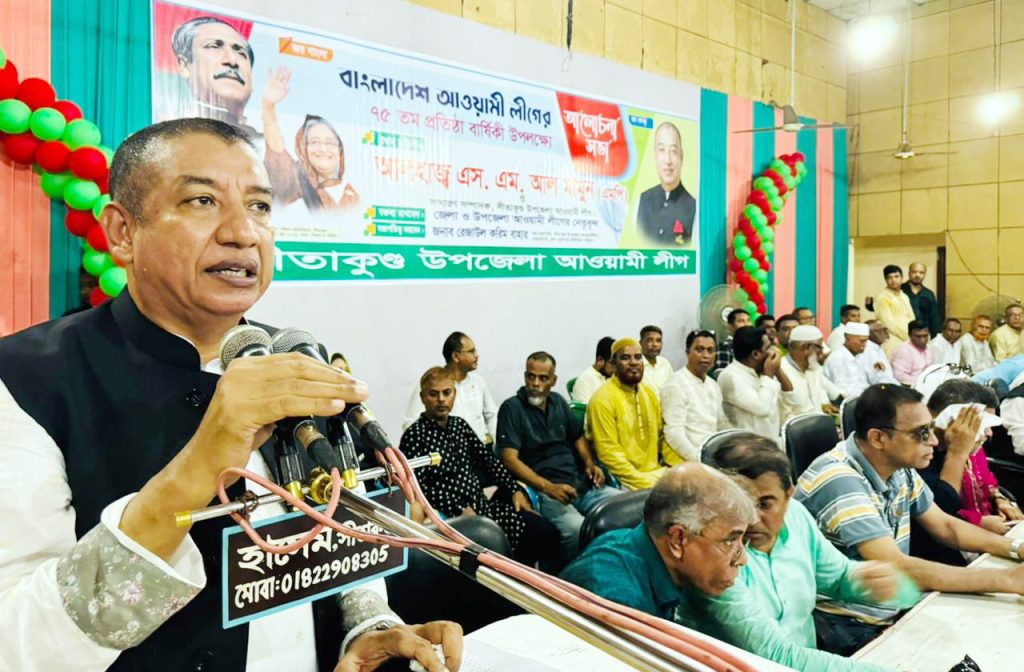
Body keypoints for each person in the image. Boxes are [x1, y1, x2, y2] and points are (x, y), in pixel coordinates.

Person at [0, 119, 461, 672]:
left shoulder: (296, 356)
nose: (243, 233)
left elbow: (340, 533)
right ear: (123, 232)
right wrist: (197, 467)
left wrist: (366, 625)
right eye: (202, 200)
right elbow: (16, 645)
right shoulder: (26, 381)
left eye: (260, 207)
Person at [796, 384, 1024, 656]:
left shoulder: (896, 467)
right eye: (922, 433)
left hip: (893, 608)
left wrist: (1016, 548)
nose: (935, 441)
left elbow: (946, 526)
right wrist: (1007, 580)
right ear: (878, 438)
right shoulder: (840, 480)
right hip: (849, 625)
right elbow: (897, 566)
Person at [701, 434, 910, 672]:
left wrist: (866, 581)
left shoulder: (796, 515)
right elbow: (775, 656)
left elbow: (837, 576)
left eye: (765, 504)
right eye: (739, 505)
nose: (752, 519)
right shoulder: (715, 557)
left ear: (789, 495)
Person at [402, 367, 562, 570]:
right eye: (434, 394)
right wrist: (458, 508)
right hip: (451, 518)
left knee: (544, 531)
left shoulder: (460, 426)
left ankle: (525, 580)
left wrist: (514, 489)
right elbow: (418, 487)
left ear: (454, 394)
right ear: (423, 398)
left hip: (483, 508)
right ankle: (509, 580)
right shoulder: (414, 436)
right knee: (497, 553)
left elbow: (489, 461)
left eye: (447, 393)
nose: (441, 399)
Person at [561, 464, 756, 621]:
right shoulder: (617, 602)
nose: (743, 559)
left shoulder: (653, 557)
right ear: (678, 540)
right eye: (730, 540)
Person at [497, 352, 622, 559]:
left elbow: (578, 437)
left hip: (580, 485)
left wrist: (590, 464)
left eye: (543, 378)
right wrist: (549, 487)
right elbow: (509, 459)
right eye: (531, 376)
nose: (535, 383)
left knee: (623, 509)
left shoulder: (559, 402)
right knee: (577, 530)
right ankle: (573, 575)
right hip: (546, 492)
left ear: (553, 381)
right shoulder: (512, 408)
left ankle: (613, 564)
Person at [912, 381, 1023, 564]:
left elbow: (987, 480)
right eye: (983, 424)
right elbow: (945, 513)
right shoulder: (919, 455)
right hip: (943, 553)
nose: (989, 433)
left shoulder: (974, 449)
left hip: (980, 536)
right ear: (955, 420)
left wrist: (1000, 499)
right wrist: (957, 452)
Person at [261, 67, 360, 212]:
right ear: (302, 149)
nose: (323, 149)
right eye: (314, 142)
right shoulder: (296, 182)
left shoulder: (353, 195)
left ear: (340, 150)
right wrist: (268, 108)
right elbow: (277, 151)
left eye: (329, 142)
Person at [587, 338, 667, 490]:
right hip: (622, 480)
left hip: (655, 474)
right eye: (625, 358)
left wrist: (676, 467)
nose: (633, 362)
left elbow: (663, 437)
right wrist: (642, 481)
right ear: (613, 364)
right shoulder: (602, 399)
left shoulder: (649, 394)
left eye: (638, 357)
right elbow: (608, 453)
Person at [403, 331, 497, 445]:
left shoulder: (478, 381)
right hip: (448, 451)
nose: (476, 355)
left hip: (481, 448)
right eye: (471, 351)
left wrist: (496, 444)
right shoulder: (431, 384)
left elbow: (492, 416)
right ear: (456, 356)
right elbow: (410, 422)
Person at [170, 17, 257, 135]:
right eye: (214, 46)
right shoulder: (166, 136)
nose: (232, 61)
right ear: (184, 65)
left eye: (241, 53)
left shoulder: (265, 141)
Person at [660, 330, 729, 464]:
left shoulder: (713, 385)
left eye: (710, 351)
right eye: (699, 350)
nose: (705, 355)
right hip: (689, 459)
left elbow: (722, 423)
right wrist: (700, 460)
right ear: (687, 353)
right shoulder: (675, 384)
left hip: (713, 454)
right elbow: (674, 433)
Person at [718, 327, 793, 438]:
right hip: (746, 445)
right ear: (756, 354)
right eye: (768, 348)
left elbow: (790, 397)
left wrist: (777, 369)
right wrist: (768, 375)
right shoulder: (731, 377)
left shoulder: (762, 370)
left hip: (771, 441)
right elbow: (762, 409)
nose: (773, 351)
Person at [636, 121, 696, 246]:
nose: (668, 160)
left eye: (673, 151)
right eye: (662, 150)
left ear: (681, 157)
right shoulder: (642, 200)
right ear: (655, 155)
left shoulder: (694, 208)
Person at [780, 324, 841, 424]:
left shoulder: (813, 367)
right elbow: (785, 416)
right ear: (805, 347)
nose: (821, 353)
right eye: (819, 348)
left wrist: (823, 406)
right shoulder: (781, 372)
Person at [873, 265, 916, 357]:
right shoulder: (882, 298)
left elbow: (912, 318)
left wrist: (914, 335)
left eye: (896, 276)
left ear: (902, 278)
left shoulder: (904, 296)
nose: (893, 280)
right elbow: (889, 324)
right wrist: (908, 336)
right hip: (892, 340)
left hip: (909, 340)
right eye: (890, 277)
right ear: (885, 280)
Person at [823, 322, 873, 399]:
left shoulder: (859, 356)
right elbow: (843, 390)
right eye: (861, 341)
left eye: (866, 341)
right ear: (847, 339)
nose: (865, 345)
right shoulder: (837, 358)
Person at [570, 336, 615, 404]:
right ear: (600, 360)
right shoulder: (585, 381)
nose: (616, 368)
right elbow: (586, 410)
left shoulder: (614, 378)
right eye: (612, 363)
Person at [902, 262, 941, 337]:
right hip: (903, 334)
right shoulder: (900, 291)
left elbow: (934, 319)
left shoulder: (929, 294)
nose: (917, 275)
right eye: (914, 272)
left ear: (925, 274)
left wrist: (935, 338)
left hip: (923, 336)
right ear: (909, 273)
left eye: (921, 272)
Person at [890, 320, 932, 385]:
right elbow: (899, 376)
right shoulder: (903, 350)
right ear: (909, 335)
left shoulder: (928, 347)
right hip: (909, 386)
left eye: (925, 336)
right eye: (918, 336)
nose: (922, 340)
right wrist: (922, 382)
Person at [861, 320, 900, 386]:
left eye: (886, 329)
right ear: (868, 334)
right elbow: (877, 379)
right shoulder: (867, 350)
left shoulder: (877, 348)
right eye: (881, 330)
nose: (886, 332)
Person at [714, 308, 751, 374]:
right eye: (741, 321)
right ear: (730, 326)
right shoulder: (724, 346)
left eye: (748, 321)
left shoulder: (754, 345)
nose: (746, 324)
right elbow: (721, 375)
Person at [639, 324, 673, 391]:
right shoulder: (636, 365)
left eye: (658, 340)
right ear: (640, 343)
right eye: (650, 340)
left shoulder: (665, 363)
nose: (655, 344)